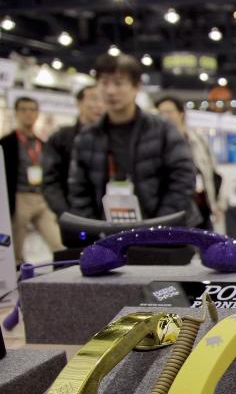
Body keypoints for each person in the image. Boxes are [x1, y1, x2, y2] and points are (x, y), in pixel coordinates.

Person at [68, 53, 199, 224]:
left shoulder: (163, 129)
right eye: (104, 83)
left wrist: (159, 225)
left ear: (136, 87)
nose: (110, 91)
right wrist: (93, 227)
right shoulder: (87, 137)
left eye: (118, 83)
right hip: (107, 233)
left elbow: (183, 178)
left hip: (162, 233)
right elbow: (79, 189)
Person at [1, 97, 64, 262]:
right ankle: (17, 283)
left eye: (32, 110)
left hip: (42, 198)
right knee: (15, 251)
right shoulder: (6, 143)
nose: (28, 114)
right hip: (19, 198)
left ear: (37, 114)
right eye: (23, 109)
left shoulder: (42, 144)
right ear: (16, 113)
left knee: (58, 244)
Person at [156, 95, 222, 230]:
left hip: (202, 204)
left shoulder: (197, 140)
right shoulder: (155, 144)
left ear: (181, 114)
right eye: (161, 113)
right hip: (172, 209)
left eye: (169, 112)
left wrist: (217, 205)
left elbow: (212, 173)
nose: (165, 116)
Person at [42, 85, 104, 218]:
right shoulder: (60, 138)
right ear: (79, 103)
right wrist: (65, 213)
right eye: (93, 99)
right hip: (72, 216)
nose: (99, 105)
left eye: (103, 100)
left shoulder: (111, 137)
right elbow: (50, 180)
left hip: (106, 217)